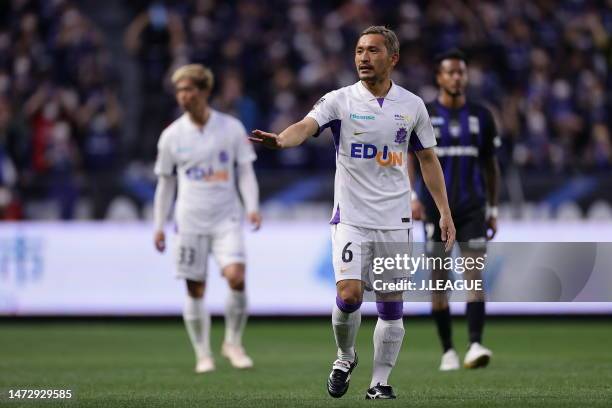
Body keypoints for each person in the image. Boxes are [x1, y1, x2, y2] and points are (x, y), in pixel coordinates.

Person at [250, 26, 456, 400]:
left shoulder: (412, 106)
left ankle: (380, 382)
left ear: (393, 58)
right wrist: (281, 139)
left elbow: (427, 159)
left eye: (373, 51)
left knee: (392, 306)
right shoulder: (340, 100)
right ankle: (345, 356)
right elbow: (305, 126)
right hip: (351, 219)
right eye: (359, 50)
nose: (363, 57)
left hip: (395, 220)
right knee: (349, 295)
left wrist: (444, 211)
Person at [153, 64, 261, 373]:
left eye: (188, 89)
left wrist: (252, 206)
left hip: (226, 218)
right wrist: (159, 225)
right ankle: (203, 353)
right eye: (179, 91)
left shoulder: (231, 128)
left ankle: (233, 343)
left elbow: (245, 172)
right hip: (189, 221)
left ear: (204, 91)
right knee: (195, 288)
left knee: (236, 277)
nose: (183, 96)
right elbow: (166, 182)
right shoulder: (171, 136)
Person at [409, 49, 501, 371]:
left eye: (461, 72)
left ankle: (475, 343)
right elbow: (412, 157)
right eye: (450, 72)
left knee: (475, 275)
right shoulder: (424, 114)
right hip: (435, 209)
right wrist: (412, 196)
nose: (457, 77)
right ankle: (447, 349)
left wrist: (492, 208)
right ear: (439, 77)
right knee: (439, 280)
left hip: (473, 207)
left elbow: (491, 165)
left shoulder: (483, 116)